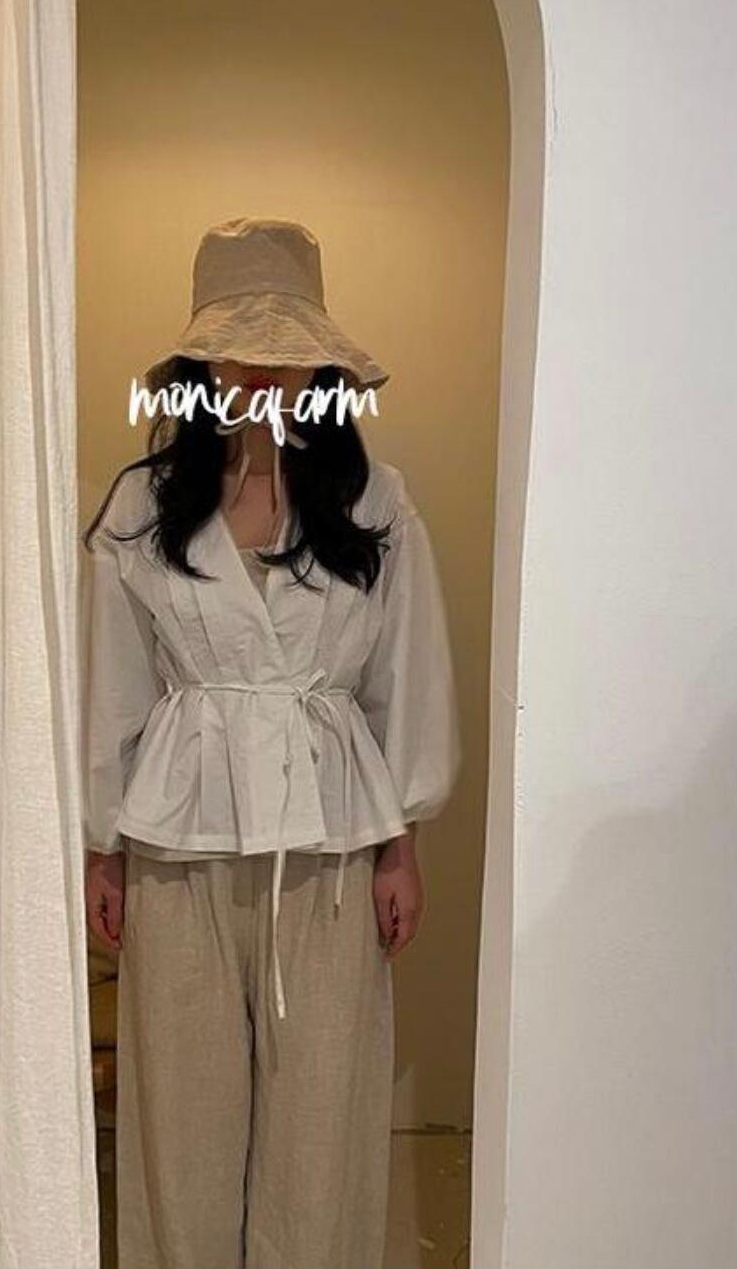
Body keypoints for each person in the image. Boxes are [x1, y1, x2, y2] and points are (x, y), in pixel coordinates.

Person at [80, 217, 462, 1269]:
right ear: (200, 362)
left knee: (322, 1122)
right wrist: (101, 844)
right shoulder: (142, 504)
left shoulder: (375, 503)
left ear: (319, 365)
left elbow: (406, 679)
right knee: (180, 1124)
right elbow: (111, 685)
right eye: (240, 348)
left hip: (329, 845)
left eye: (284, 350)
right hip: (179, 840)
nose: (261, 371)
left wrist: (402, 845)